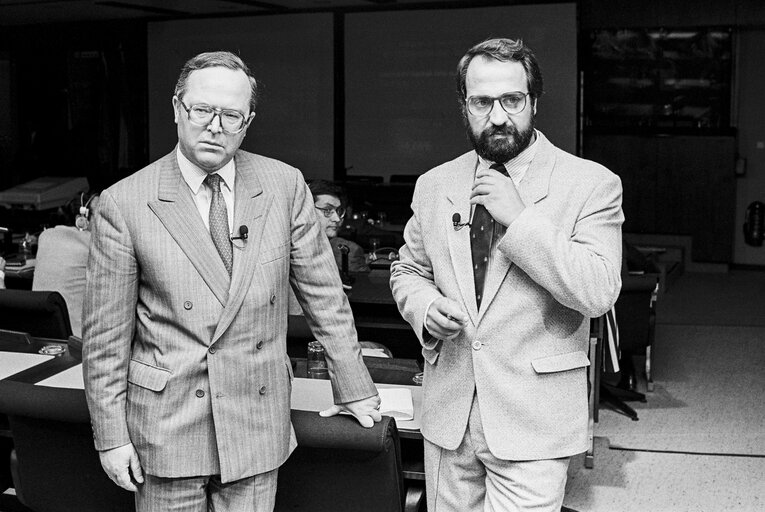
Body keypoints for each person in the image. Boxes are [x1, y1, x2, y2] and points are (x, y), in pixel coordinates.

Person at [82, 51, 381, 512]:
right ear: (178, 108)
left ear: (249, 121)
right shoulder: (124, 203)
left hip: (257, 419)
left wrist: (354, 386)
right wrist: (110, 435)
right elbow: (105, 337)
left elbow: (324, 296)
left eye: (232, 115)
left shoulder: (285, 185)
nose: (215, 126)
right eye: (202, 110)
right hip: (166, 427)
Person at [390, 38, 624, 512]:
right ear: (465, 107)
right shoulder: (435, 185)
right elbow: (408, 269)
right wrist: (425, 307)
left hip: (533, 419)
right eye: (482, 102)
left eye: (512, 100)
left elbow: (599, 291)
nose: (498, 116)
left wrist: (520, 220)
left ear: (533, 102)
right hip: (448, 414)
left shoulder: (590, 183)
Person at [31, 191, 99, 338]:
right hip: (80, 341)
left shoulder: (46, 236)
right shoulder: (94, 243)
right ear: (82, 219)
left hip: (41, 335)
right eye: (103, 215)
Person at [308, 179, 370, 273]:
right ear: (307, 211)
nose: (337, 219)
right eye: (327, 210)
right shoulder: (288, 250)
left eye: (339, 211)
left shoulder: (348, 252)